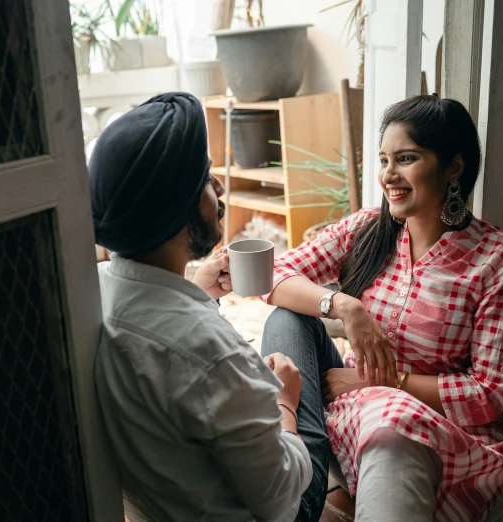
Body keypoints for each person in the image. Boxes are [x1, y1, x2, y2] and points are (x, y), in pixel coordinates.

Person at [257, 95, 503, 522]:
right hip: (350, 406)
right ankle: (305, 489)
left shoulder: (499, 262)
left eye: (406, 158)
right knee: (287, 319)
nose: (389, 175)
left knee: (393, 423)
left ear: (454, 167)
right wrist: (345, 306)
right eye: (384, 160)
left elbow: (489, 395)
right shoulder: (369, 229)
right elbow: (271, 274)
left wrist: (386, 382)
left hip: (436, 431)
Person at [90, 92, 312, 522]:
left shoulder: (94, 291)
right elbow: (280, 502)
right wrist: (285, 402)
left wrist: (198, 292)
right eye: (207, 179)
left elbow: (160, 331)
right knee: (294, 325)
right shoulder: (212, 352)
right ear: (176, 210)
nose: (220, 188)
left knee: (293, 326)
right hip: (279, 505)